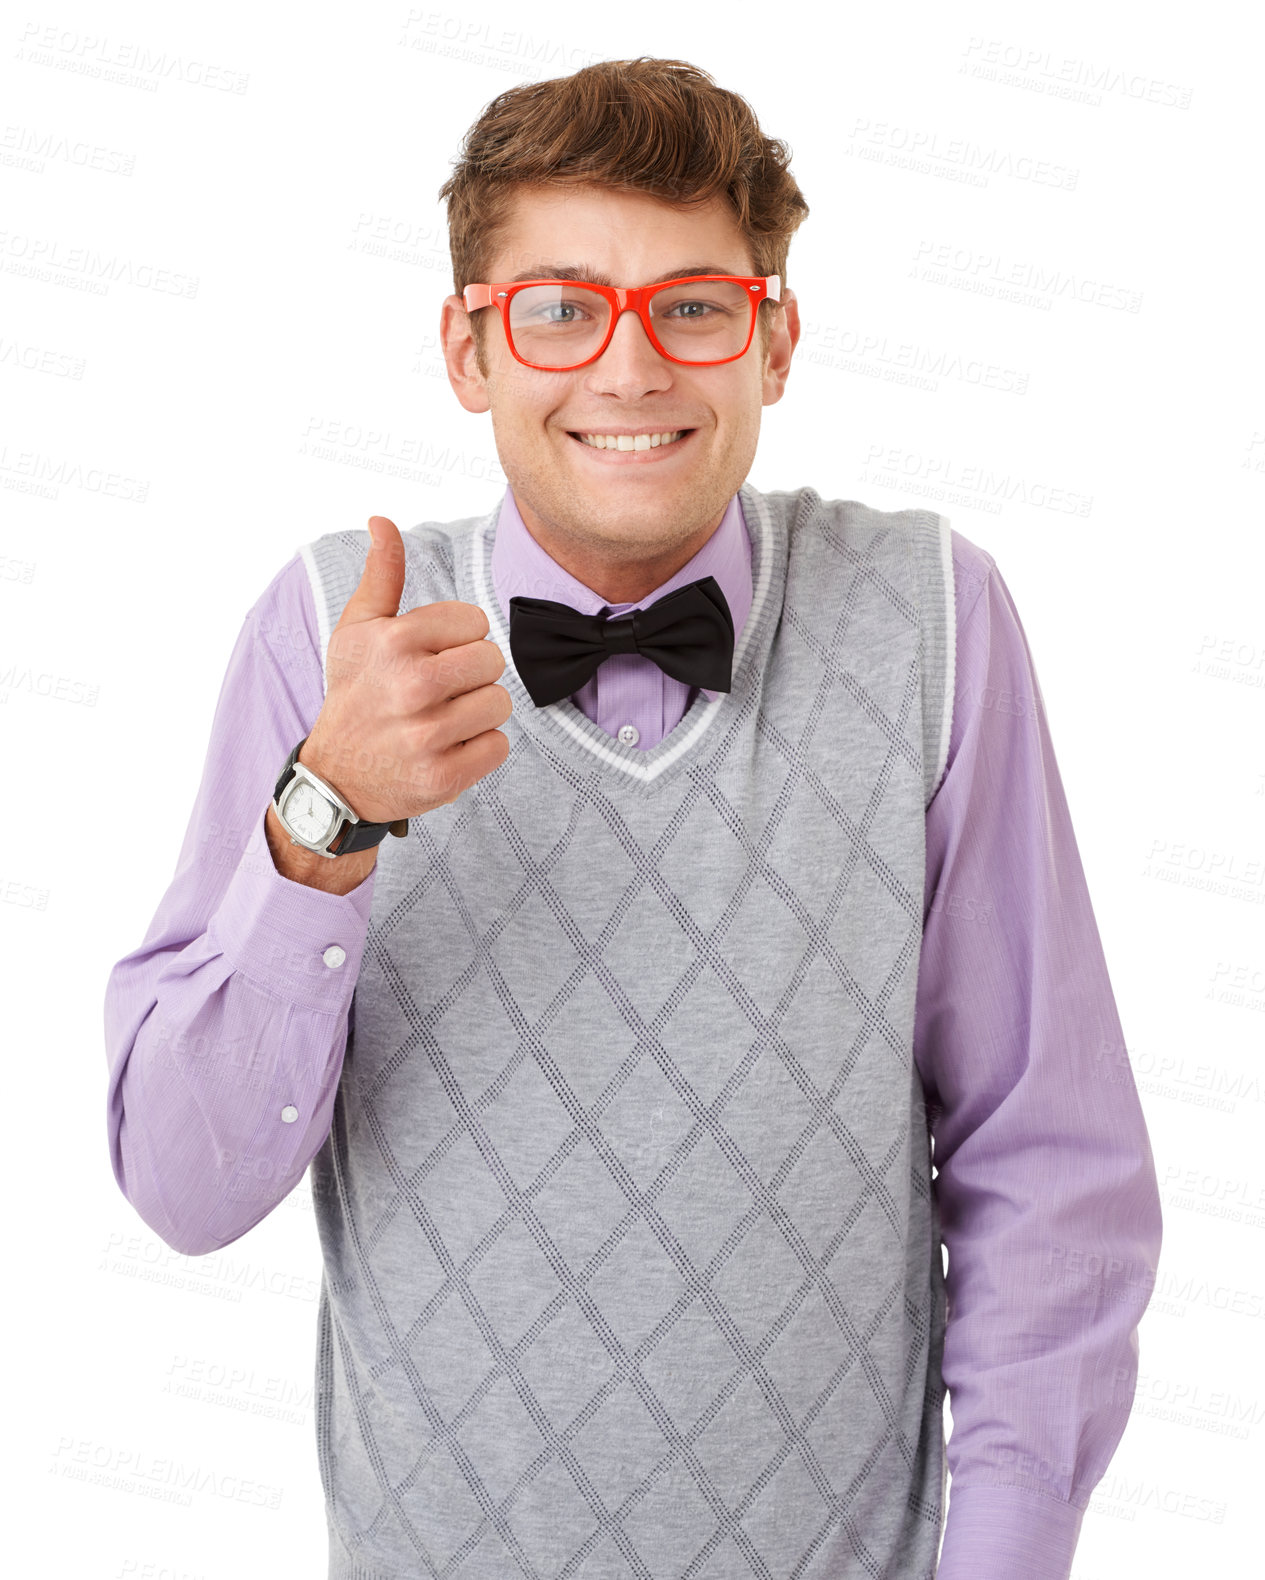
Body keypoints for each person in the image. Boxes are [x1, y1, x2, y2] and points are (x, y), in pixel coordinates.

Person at [103, 56, 1162, 1580]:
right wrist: (326, 818)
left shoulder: (931, 617)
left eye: (692, 305)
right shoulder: (330, 630)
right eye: (557, 307)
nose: (628, 368)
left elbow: (1050, 1171)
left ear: (774, 338)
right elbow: (185, 1191)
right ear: (470, 351)